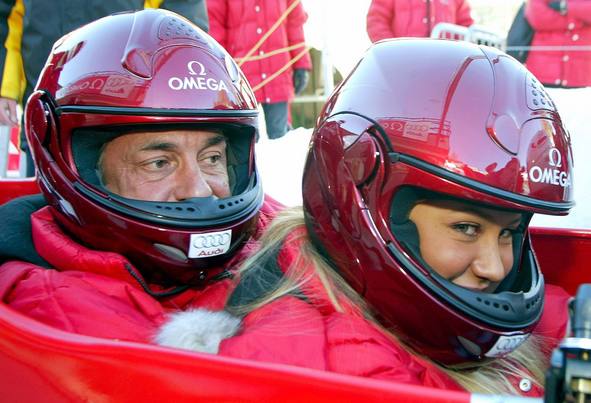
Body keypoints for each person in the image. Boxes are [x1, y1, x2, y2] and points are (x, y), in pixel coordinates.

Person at [156, 38, 574, 397]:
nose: (496, 268)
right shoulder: (314, 369)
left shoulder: (467, 313)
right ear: (365, 210)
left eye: (509, 234)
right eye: (466, 228)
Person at [0, 9, 283, 342]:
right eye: (158, 163)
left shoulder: (287, 240)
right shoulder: (53, 320)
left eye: (212, 158)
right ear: (82, 165)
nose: (199, 190)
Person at [0, 0, 209, 177]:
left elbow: (181, 20)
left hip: (131, 110)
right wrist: (4, 87)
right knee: (45, 196)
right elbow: (8, 19)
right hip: (47, 104)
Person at [207, 0, 312, 140]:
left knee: (281, 138)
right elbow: (215, 27)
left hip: (277, 75)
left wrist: (301, 63)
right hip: (241, 79)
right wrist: (219, 69)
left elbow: (295, 22)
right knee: (245, 139)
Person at [525, 0, 591, 88]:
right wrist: (579, 21)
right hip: (542, 72)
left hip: (581, 75)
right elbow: (537, 16)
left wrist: (565, 6)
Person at [366, 0, 474, 43]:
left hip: (445, 62)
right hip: (403, 59)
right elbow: (376, 20)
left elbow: (467, 26)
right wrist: (391, 48)